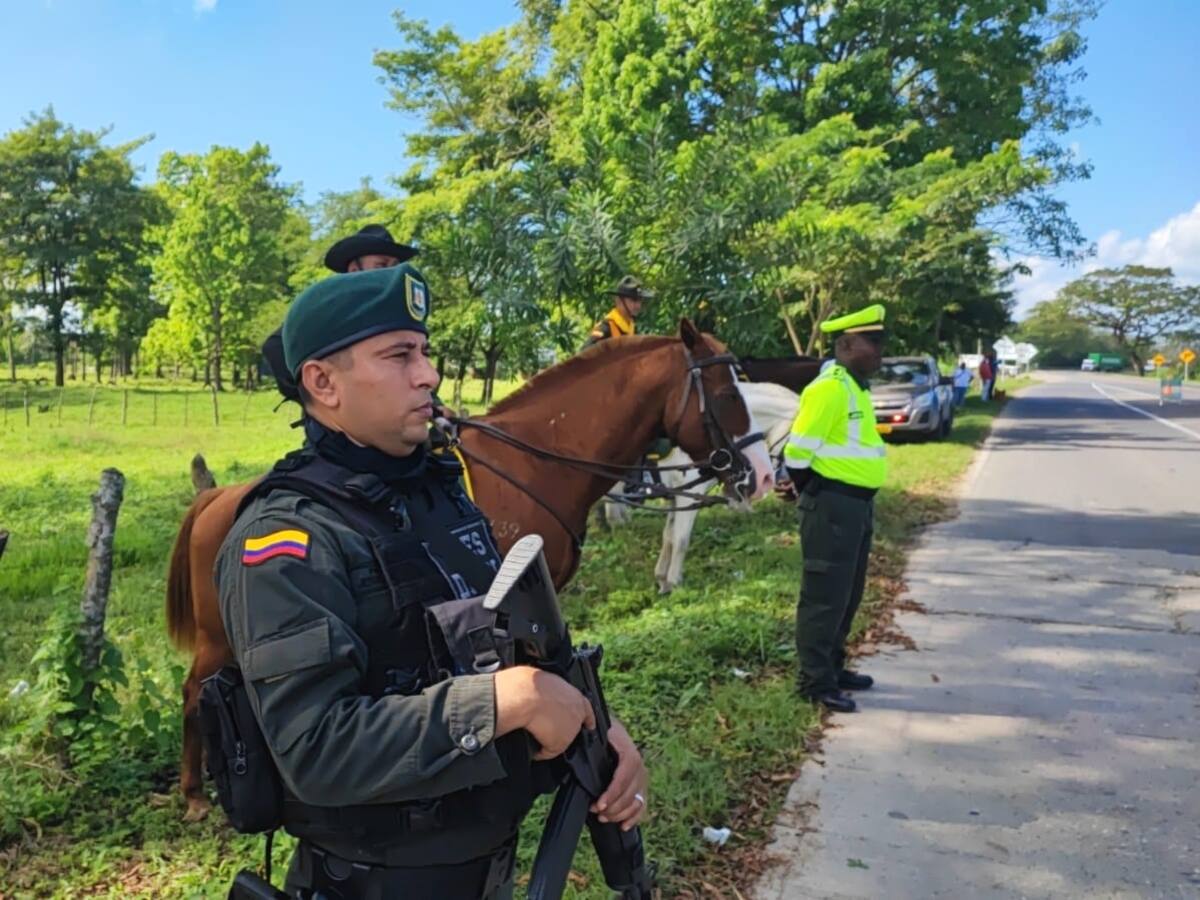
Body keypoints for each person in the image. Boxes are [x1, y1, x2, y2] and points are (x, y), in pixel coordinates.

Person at [217, 266, 648, 898]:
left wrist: (593, 724)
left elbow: (507, 641)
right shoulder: (289, 537)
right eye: (398, 356)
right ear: (322, 382)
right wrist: (509, 700)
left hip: (485, 871)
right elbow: (314, 750)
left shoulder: (440, 496)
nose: (429, 374)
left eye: (424, 351)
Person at [783, 304, 888, 714]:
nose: (880, 352)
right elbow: (797, 454)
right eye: (872, 343)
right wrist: (812, 493)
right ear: (846, 344)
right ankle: (814, 682)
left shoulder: (854, 386)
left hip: (855, 508)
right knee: (824, 597)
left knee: (848, 593)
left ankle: (834, 668)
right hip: (831, 507)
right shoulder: (828, 388)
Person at [262, 224, 418, 402]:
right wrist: (312, 400)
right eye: (380, 265)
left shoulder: (393, 314)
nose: (389, 274)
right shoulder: (332, 307)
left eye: (393, 267)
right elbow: (274, 346)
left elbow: (410, 361)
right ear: (354, 270)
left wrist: (433, 403)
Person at [582, 275, 654, 349]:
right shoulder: (605, 328)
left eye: (640, 300)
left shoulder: (632, 328)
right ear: (619, 300)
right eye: (633, 300)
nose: (638, 306)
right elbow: (583, 355)